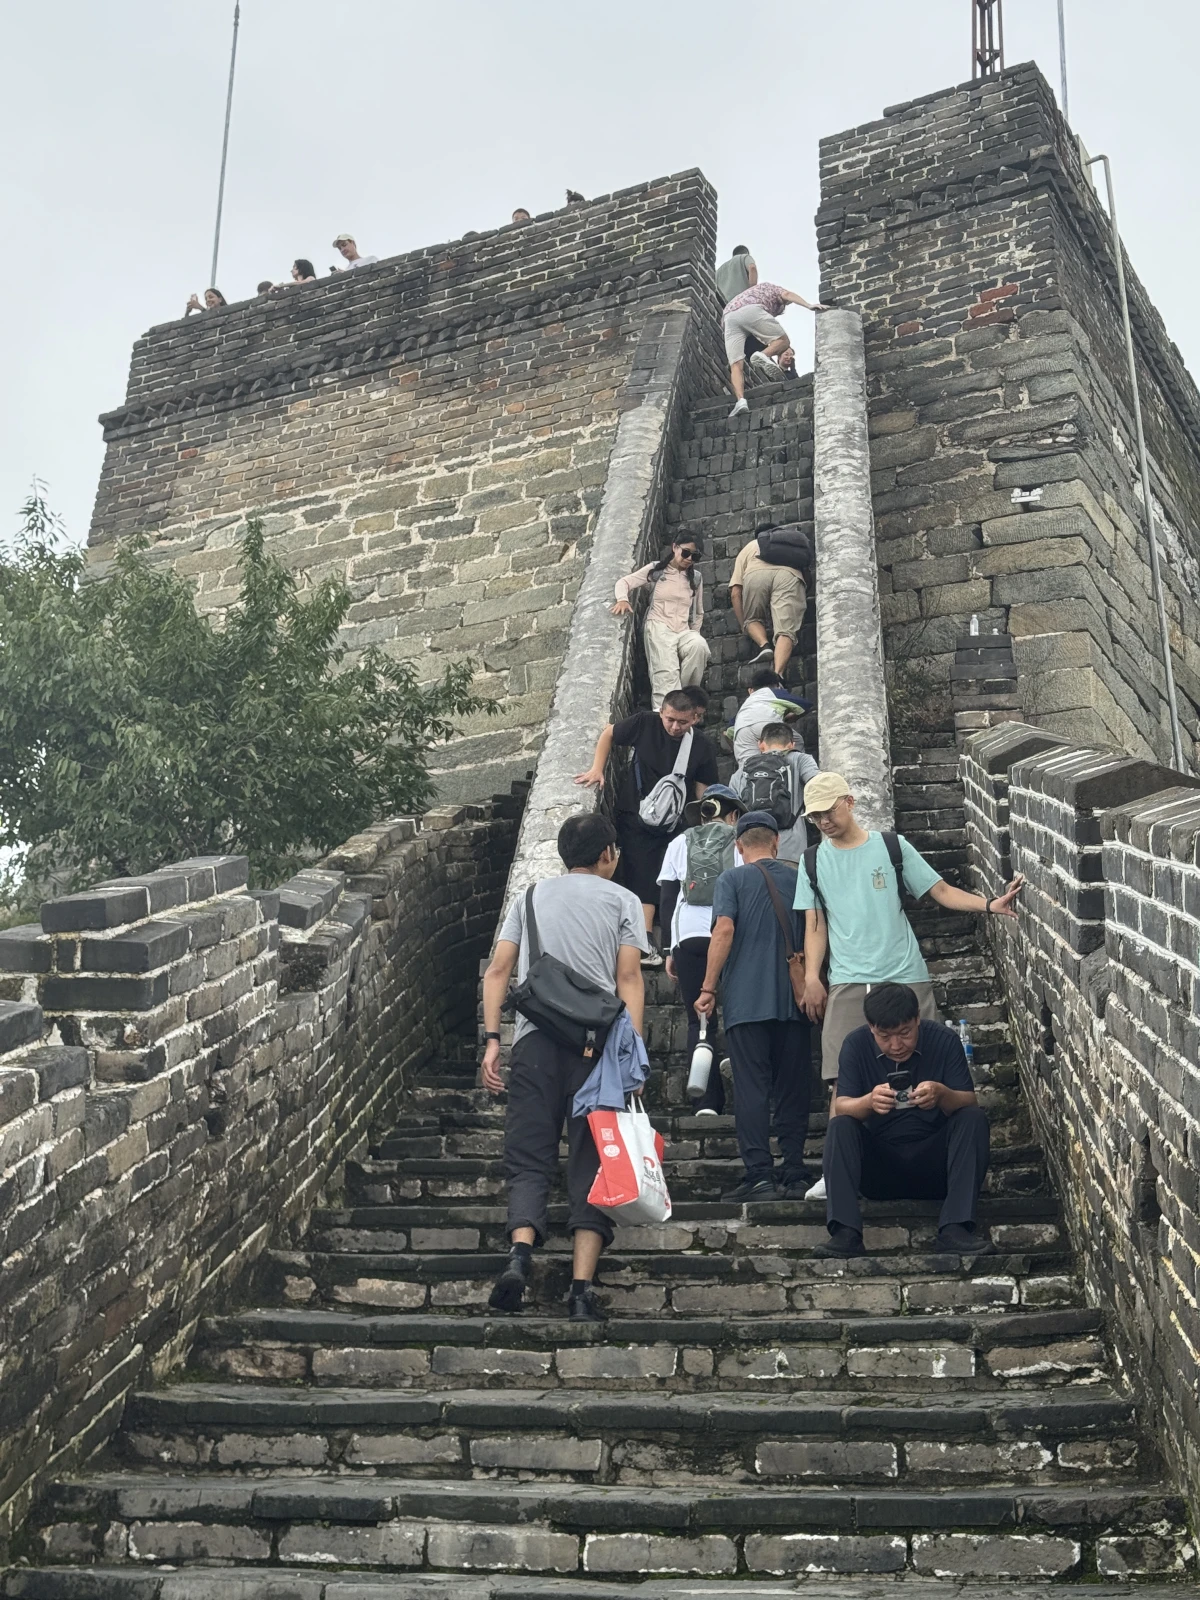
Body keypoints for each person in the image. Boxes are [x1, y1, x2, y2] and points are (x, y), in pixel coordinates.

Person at [481, 813, 647, 1321]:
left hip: (534, 1044)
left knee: (528, 1156)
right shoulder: (623, 900)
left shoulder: (529, 897)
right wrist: (633, 1054)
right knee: (593, 1164)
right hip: (595, 1052)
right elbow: (629, 978)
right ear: (607, 854)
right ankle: (579, 1291)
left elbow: (498, 970)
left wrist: (493, 1041)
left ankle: (520, 1256)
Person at [795, 772, 1024, 1088]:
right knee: (843, 1081)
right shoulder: (812, 861)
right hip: (848, 978)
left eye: (829, 811)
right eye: (815, 816)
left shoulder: (891, 847)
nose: (824, 821)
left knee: (928, 1072)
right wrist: (811, 977)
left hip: (904, 973)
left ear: (849, 802)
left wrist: (989, 904)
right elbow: (815, 925)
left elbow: (940, 891)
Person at [817, 982, 993, 1258]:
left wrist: (941, 1094)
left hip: (936, 1166)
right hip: (879, 1168)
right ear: (871, 1027)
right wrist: (869, 1102)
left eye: (905, 1033)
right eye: (885, 1036)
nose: (896, 1045)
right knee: (841, 1124)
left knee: (973, 1118)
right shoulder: (855, 1044)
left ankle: (956, 1227)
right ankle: (845, 1233)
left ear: (917, 1019)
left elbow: (968, 1100)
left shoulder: (944, 1040)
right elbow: (842, 1105)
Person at [695, 811, 813, 1200]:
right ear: (776, 842)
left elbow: (724, 930)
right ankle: (794, 1171)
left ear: (739, 846)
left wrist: (708, 987)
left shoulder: (731, 879)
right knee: (793, 1088)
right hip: (795, 1000)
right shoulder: (798, 878)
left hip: (746, 1002)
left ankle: (760, 1175)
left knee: (752, 1088)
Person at [574, 691, 718, 967]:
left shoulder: (701, 745)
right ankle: (644, 939)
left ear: (694, 719)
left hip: (674, 822)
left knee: (667, 876)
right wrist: (597, 769)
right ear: (661, 712)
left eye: (683, 722)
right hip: (635, 814)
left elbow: (703, 788)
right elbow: (609, 734)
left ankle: (664, 942)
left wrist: (704, 826)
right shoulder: (644, 723)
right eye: (670, 719)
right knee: (641, 873)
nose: (675, 727)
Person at [657, 784, 746, 1117]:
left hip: (688, 936)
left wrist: (669, 948)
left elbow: (668, 897)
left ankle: (706, 1102)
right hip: (728, 931)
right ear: (733, 814)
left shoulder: (679, 842)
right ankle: (739, 1073)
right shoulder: (740, 841)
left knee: (699, 1018)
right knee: (739, 1011)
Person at [613, 537, 710, 709]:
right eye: (685, 553)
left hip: (683, 630)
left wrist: (695, 632)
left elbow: (698, 613)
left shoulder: (696, 578)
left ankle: (684, 699)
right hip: (658, 626)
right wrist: (622, 599)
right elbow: (625, 582)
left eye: (694, 556)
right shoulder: (657, 570)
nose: (689, 559)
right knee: (666, 675)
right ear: (674, 547)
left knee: (699, 646)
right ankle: (663, 714)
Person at [724, 281, 825, 418]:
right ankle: (763, 355)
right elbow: (787, 294)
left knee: (736, 364)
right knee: (783, 341)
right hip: (751, 310)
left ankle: (741, 401)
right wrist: (808, 305)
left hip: (728, 317)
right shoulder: (773, 289)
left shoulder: (751, 293)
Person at [731, 723, 818, 865]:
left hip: (752, 855)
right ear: (791, 744)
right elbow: (818, 784)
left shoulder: (743, 770)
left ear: (760, 744)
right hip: (791, 851)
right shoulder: (800, 759)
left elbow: (732, 812)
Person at [730, 534, 808, 677]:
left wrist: (744, 625)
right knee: (785, 630)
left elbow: (735, 593)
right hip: (789, 575)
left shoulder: (751, 546)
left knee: (752, 618)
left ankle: (764, 645)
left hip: (756, 574)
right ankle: (778, 674)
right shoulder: (790, 543)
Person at [730, 669, 809, 765]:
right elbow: (805, 705)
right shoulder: (774, 692)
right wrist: (790, 717)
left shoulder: (747, 704)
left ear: (751, 690)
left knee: (748, 766)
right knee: (797, 740)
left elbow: (729, 730)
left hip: (742, 729)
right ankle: (799, 770)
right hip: (767, 724)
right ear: (778, 686)